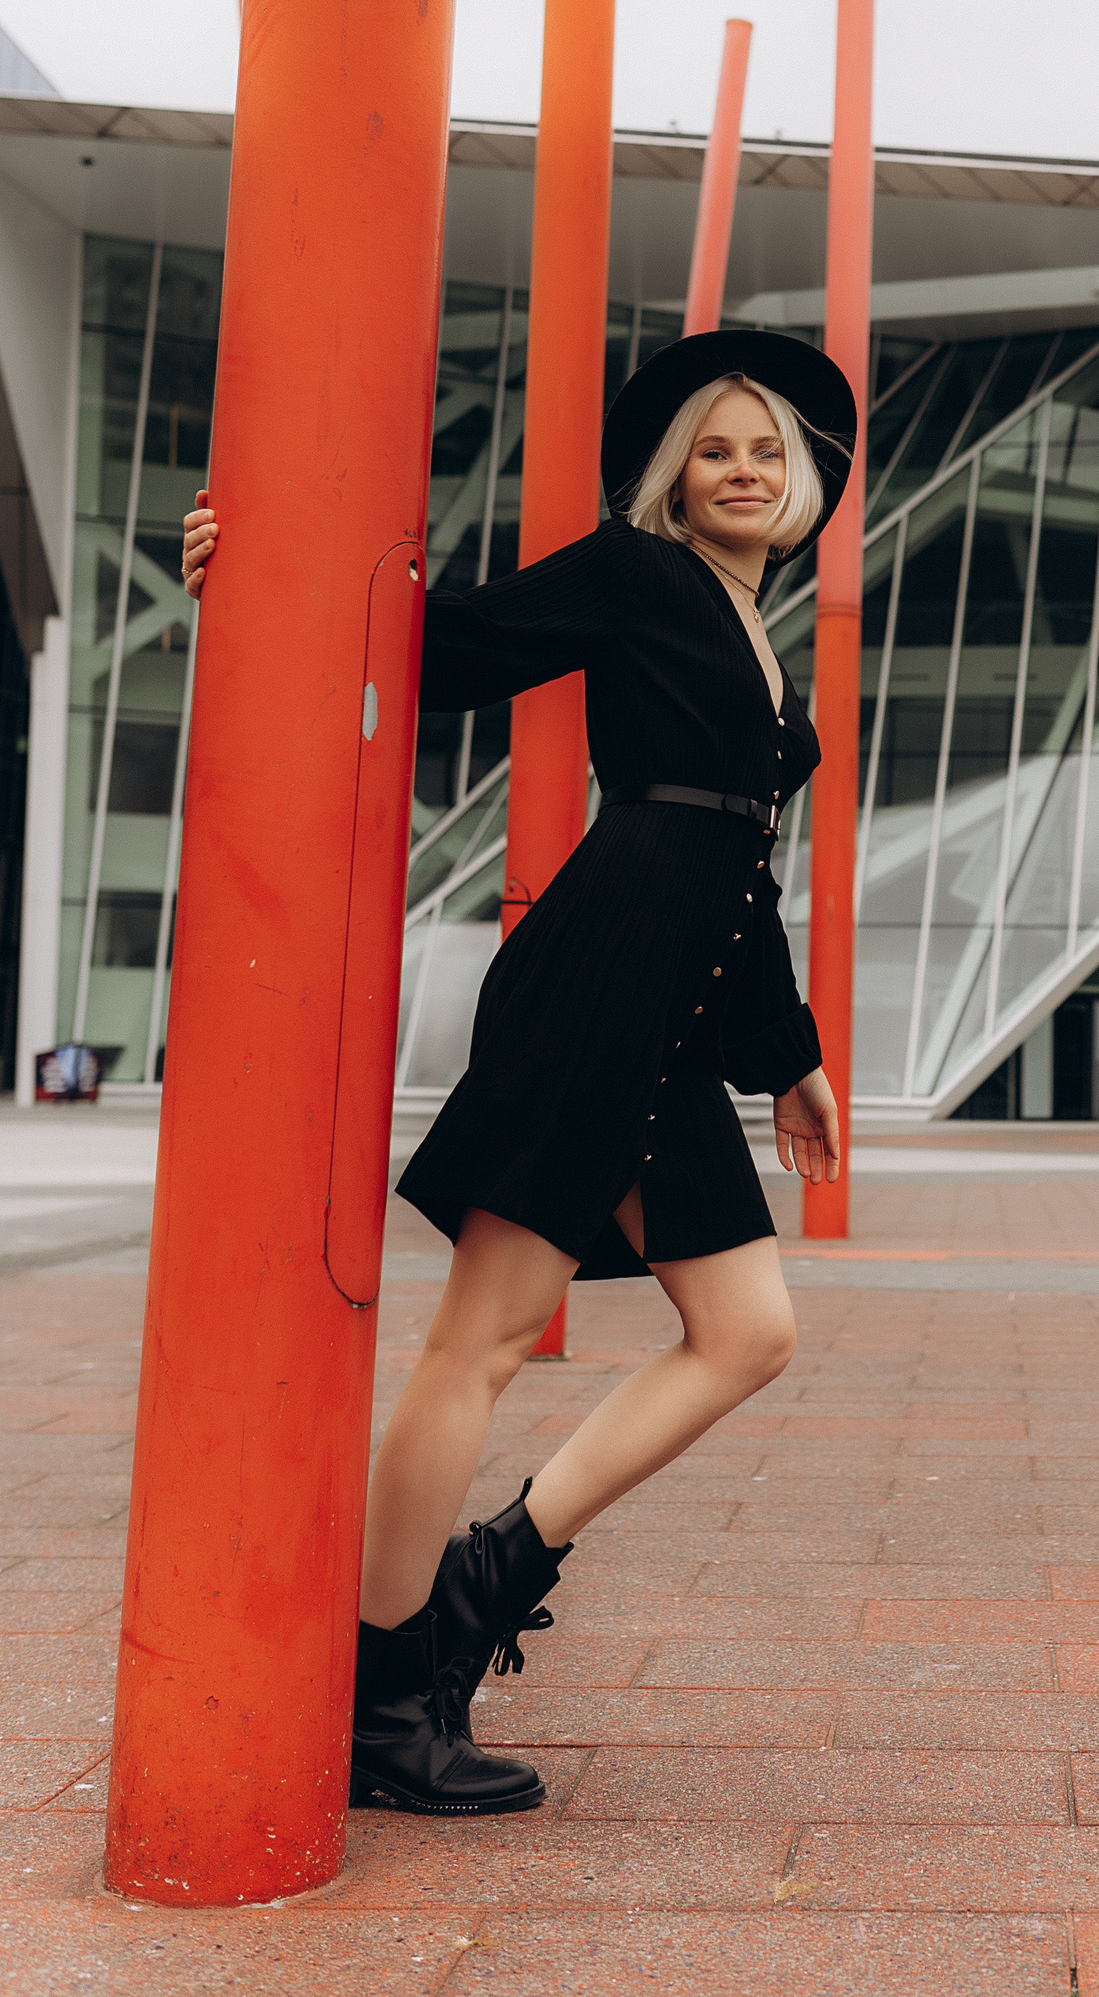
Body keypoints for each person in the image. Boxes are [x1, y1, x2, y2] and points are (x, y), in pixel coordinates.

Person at [181, 328, 853, 1814]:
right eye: (713, 449)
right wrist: (257, 570)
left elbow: (739, 864)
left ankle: (481, 1582)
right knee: (479, 1343)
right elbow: (440, 650)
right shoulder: (636, 574)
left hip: (672, 1008)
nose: (742, 469)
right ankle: (379, 1695)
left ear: (805, 482)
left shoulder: (754, 626)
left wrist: (789, 1057)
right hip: (596, 992)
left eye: (766, 451)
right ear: (672, 476)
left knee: (747, 1333)